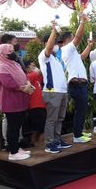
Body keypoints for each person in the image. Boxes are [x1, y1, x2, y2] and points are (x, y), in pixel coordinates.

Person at [59, 12, 93, 143]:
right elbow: (78, 37)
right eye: (72, 37)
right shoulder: (67, 49)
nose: (75, 39)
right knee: (80, 111)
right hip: (76, 84)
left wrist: (89, 46)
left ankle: (78, 134)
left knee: (81, 110)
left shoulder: (72, 52)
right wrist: (83, 21)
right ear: (68, 39)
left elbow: (83, 57)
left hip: (80, 84)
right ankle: (77, 136)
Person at [39, 23, 72, 154]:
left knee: (60, 118)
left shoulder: (56, 59)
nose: (58, 45)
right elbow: (49, 47)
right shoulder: (44, 56)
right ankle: (49, 144)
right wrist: (53, 31)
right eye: (54, 42)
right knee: (52, 119)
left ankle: (57, 140)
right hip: (52, 92)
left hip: (62, 92)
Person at [0, 43, 33, 160]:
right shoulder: (1, 66)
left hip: (21, 99)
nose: (13, 53)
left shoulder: (15, 64)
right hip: (10, 101)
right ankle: (13, 152)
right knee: (13, 127)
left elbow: (25, 75)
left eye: (13, 51)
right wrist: (23, 88)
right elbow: (8, 83)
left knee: (18, 126)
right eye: (10, 52)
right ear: (2, 54)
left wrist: (28, 84)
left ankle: (16, 149)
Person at [24, 61, 46, 145]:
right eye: (32, 66)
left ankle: (38, 145)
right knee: (38, 129)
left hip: (42, 105)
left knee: (40, 129)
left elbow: (43, 75)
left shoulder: (37, 78)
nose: (35, 67)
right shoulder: (28, 77)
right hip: (34, 106)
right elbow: (40, 71)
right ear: (27, 69)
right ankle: (37, 147)